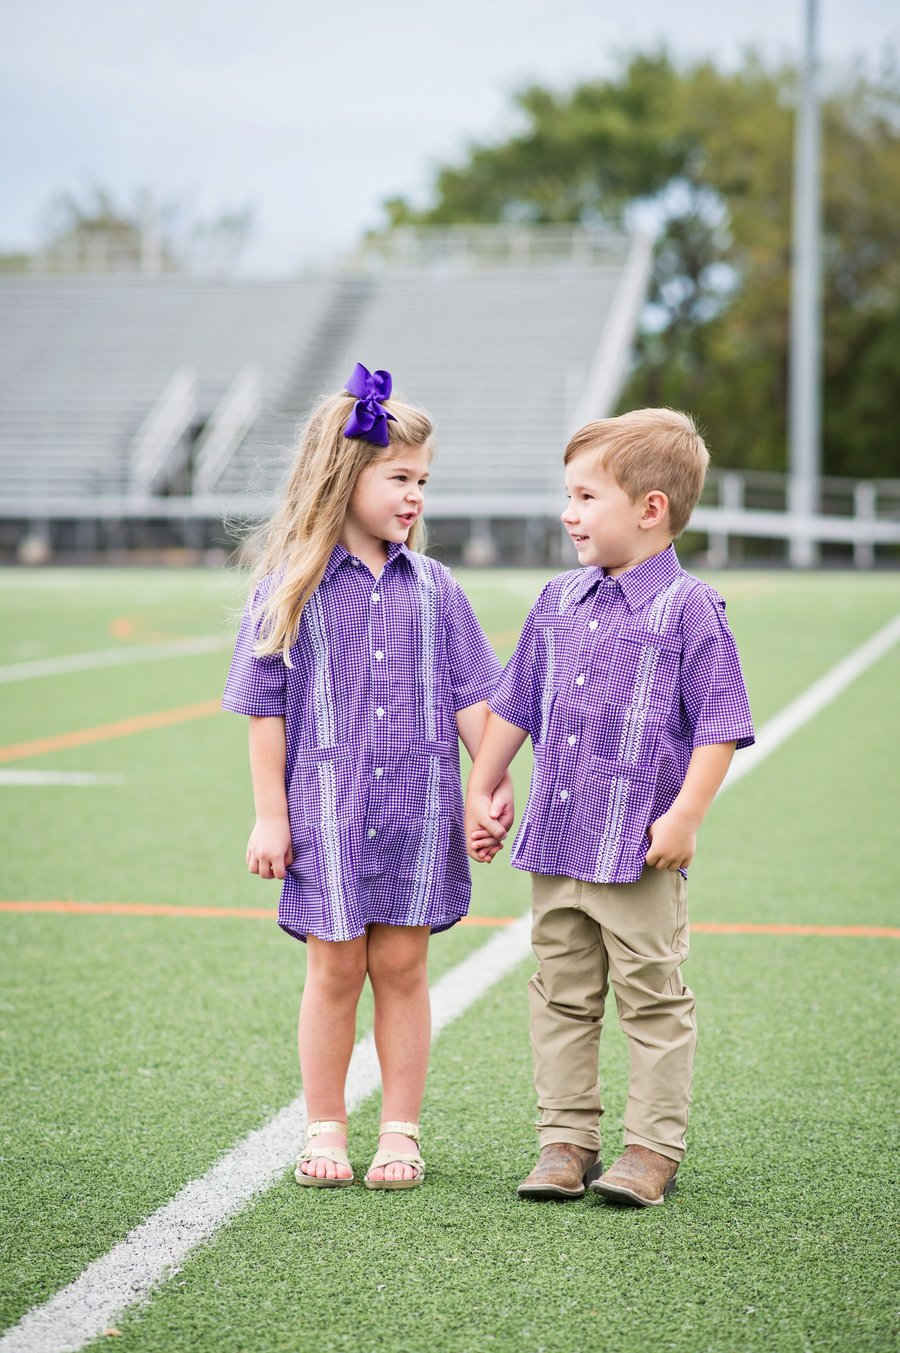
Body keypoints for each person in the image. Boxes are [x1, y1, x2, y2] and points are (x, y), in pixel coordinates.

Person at [223, 363, 507, 1191]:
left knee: (404, 969)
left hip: (419, 815)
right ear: (346, 477)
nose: (416, 495)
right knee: (335, 969)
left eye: (424, 480)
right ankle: (325, 1125)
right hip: (327, 818)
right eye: (400, 478)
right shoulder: (285, 593)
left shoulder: (437, 590)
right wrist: (269, 816)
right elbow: (264, 711)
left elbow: (472, 700)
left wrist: (486, 786)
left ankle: (400, 1132)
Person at [465, 408, 754, 1207]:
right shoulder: (558, 599)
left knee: (652, 997)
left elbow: (720, 726)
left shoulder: (692, 609)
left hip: (639, 850)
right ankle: (565, 1141)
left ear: (650, 508)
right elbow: (514, 702)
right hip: (556, 843)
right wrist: (483, 783)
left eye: (587, 496)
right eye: (570, 495)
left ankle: (651, 1149)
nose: (570, 512)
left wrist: (687, 815)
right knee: (560, 992)